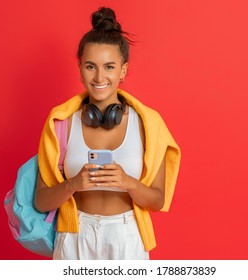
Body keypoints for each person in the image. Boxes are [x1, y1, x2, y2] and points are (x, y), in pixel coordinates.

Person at [34, 7, 181, 260]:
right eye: (91, 66)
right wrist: (73, 184)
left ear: (123, 70)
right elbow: (41, 201)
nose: (99, 76)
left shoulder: (148, 124)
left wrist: (128, 183)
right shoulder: (61, 123)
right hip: (74, 236)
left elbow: (157, 201)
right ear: (80, 68)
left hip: (127, 236)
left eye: (109, 66)